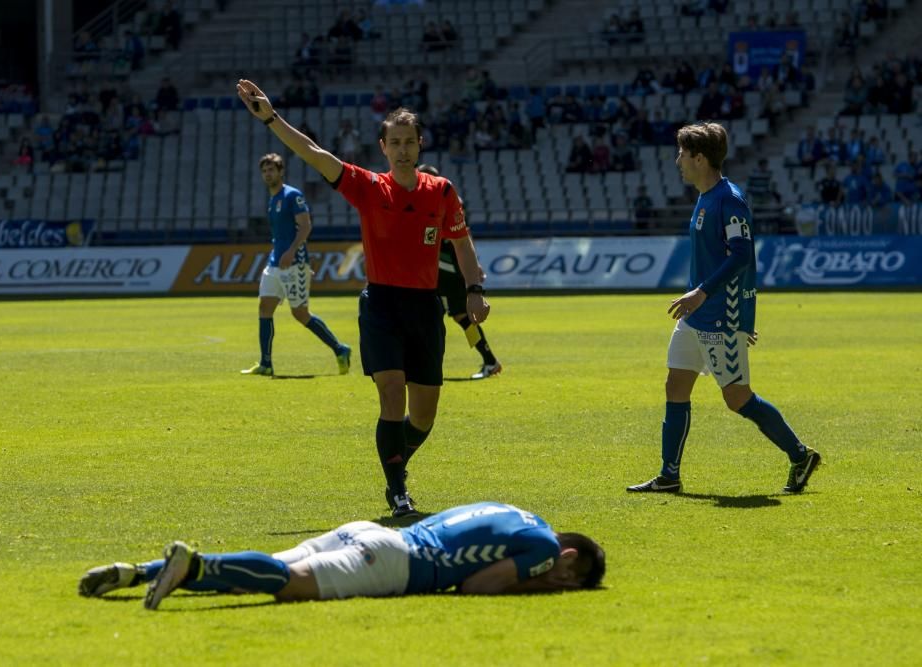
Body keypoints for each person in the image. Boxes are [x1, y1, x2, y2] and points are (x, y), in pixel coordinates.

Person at [236, 79, 490, 518]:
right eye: (396, 143)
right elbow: (315, 155)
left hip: (425, 307)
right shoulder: (368, 186)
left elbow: (462, 244)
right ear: (383, 148)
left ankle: (394, 460)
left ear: (420, 144)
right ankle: (397, 492)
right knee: (391, 395)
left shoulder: (443, 192)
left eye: (410, 142)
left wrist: (474, 290)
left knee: (424, 416)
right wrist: (271, 118)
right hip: (382, 306)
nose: (404, 150)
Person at [627, 122, 821, 495]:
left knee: (737, 398)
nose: (677, 160)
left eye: (683, 153)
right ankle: (669, 475)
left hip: (718, 313)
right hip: (697, 313)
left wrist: (713, 300)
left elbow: (742, 256)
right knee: (675, 385)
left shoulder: (729, 200)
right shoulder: (705, 196)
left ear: (700, 158)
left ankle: (800, 455)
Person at [77, 501, 606, 610]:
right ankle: (194, 565)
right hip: (395, 564)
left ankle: (136, 572)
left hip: (365, 532)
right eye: (566, 576)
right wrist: (534, 583)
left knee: (261, 572)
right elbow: (475, 586)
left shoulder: (517, 511)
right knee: (284, 581)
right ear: (566, 553)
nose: (559, 580)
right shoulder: (539, 548)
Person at [241, 153, 352, 377]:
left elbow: (305, 226)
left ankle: (340, 349)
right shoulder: (273, 200)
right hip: (276, 262)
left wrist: (294, 255)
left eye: (272, 169)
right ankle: (266, 363)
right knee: (264, 308)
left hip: (294, 263)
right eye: (264, 171)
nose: (268, 174)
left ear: (281, 172)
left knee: (300, 314)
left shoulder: (292, 195)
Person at [417, 164, 501, 380]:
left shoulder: (443, 200)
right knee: (457, 316)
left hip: (450, 269)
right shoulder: (438, 199)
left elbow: (463, 236)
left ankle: (489, 361)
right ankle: (489, 360)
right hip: (445, 268)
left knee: (456, 316)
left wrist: (475, 265)